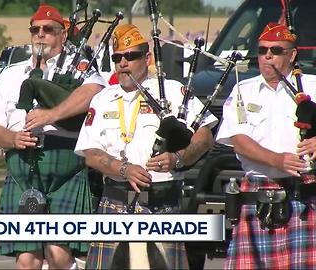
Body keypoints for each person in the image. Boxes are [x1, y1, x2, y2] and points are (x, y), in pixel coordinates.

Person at [74, 24, 217, 269]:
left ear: (147, 58)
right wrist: (123, 169)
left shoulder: (172, 92)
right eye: (117, 57)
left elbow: (204, 137)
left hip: (162, 203)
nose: (123, 63)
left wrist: (178, 159)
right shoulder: (103, 99)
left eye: (131, 56)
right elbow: (90, 153)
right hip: (115, 202)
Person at [0, 3, 107, 269]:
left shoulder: (81, 69)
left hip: (66, 167)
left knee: (58, 253)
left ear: (62, 35)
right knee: (27, 259)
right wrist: (12, 139)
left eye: (48, 29)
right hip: (22, 167)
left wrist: (51, 114)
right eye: (35, 29)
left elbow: (94, 91)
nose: (40, 34)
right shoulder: (11, 75)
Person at [216, 22, 316, 269]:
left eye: (276, 50)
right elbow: (239, 141)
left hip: (305, 195)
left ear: (292, 55)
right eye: (262, 50)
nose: (267, 56)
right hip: (257, 196)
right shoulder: (243, 90)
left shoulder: (313, 86)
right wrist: (276, 160)